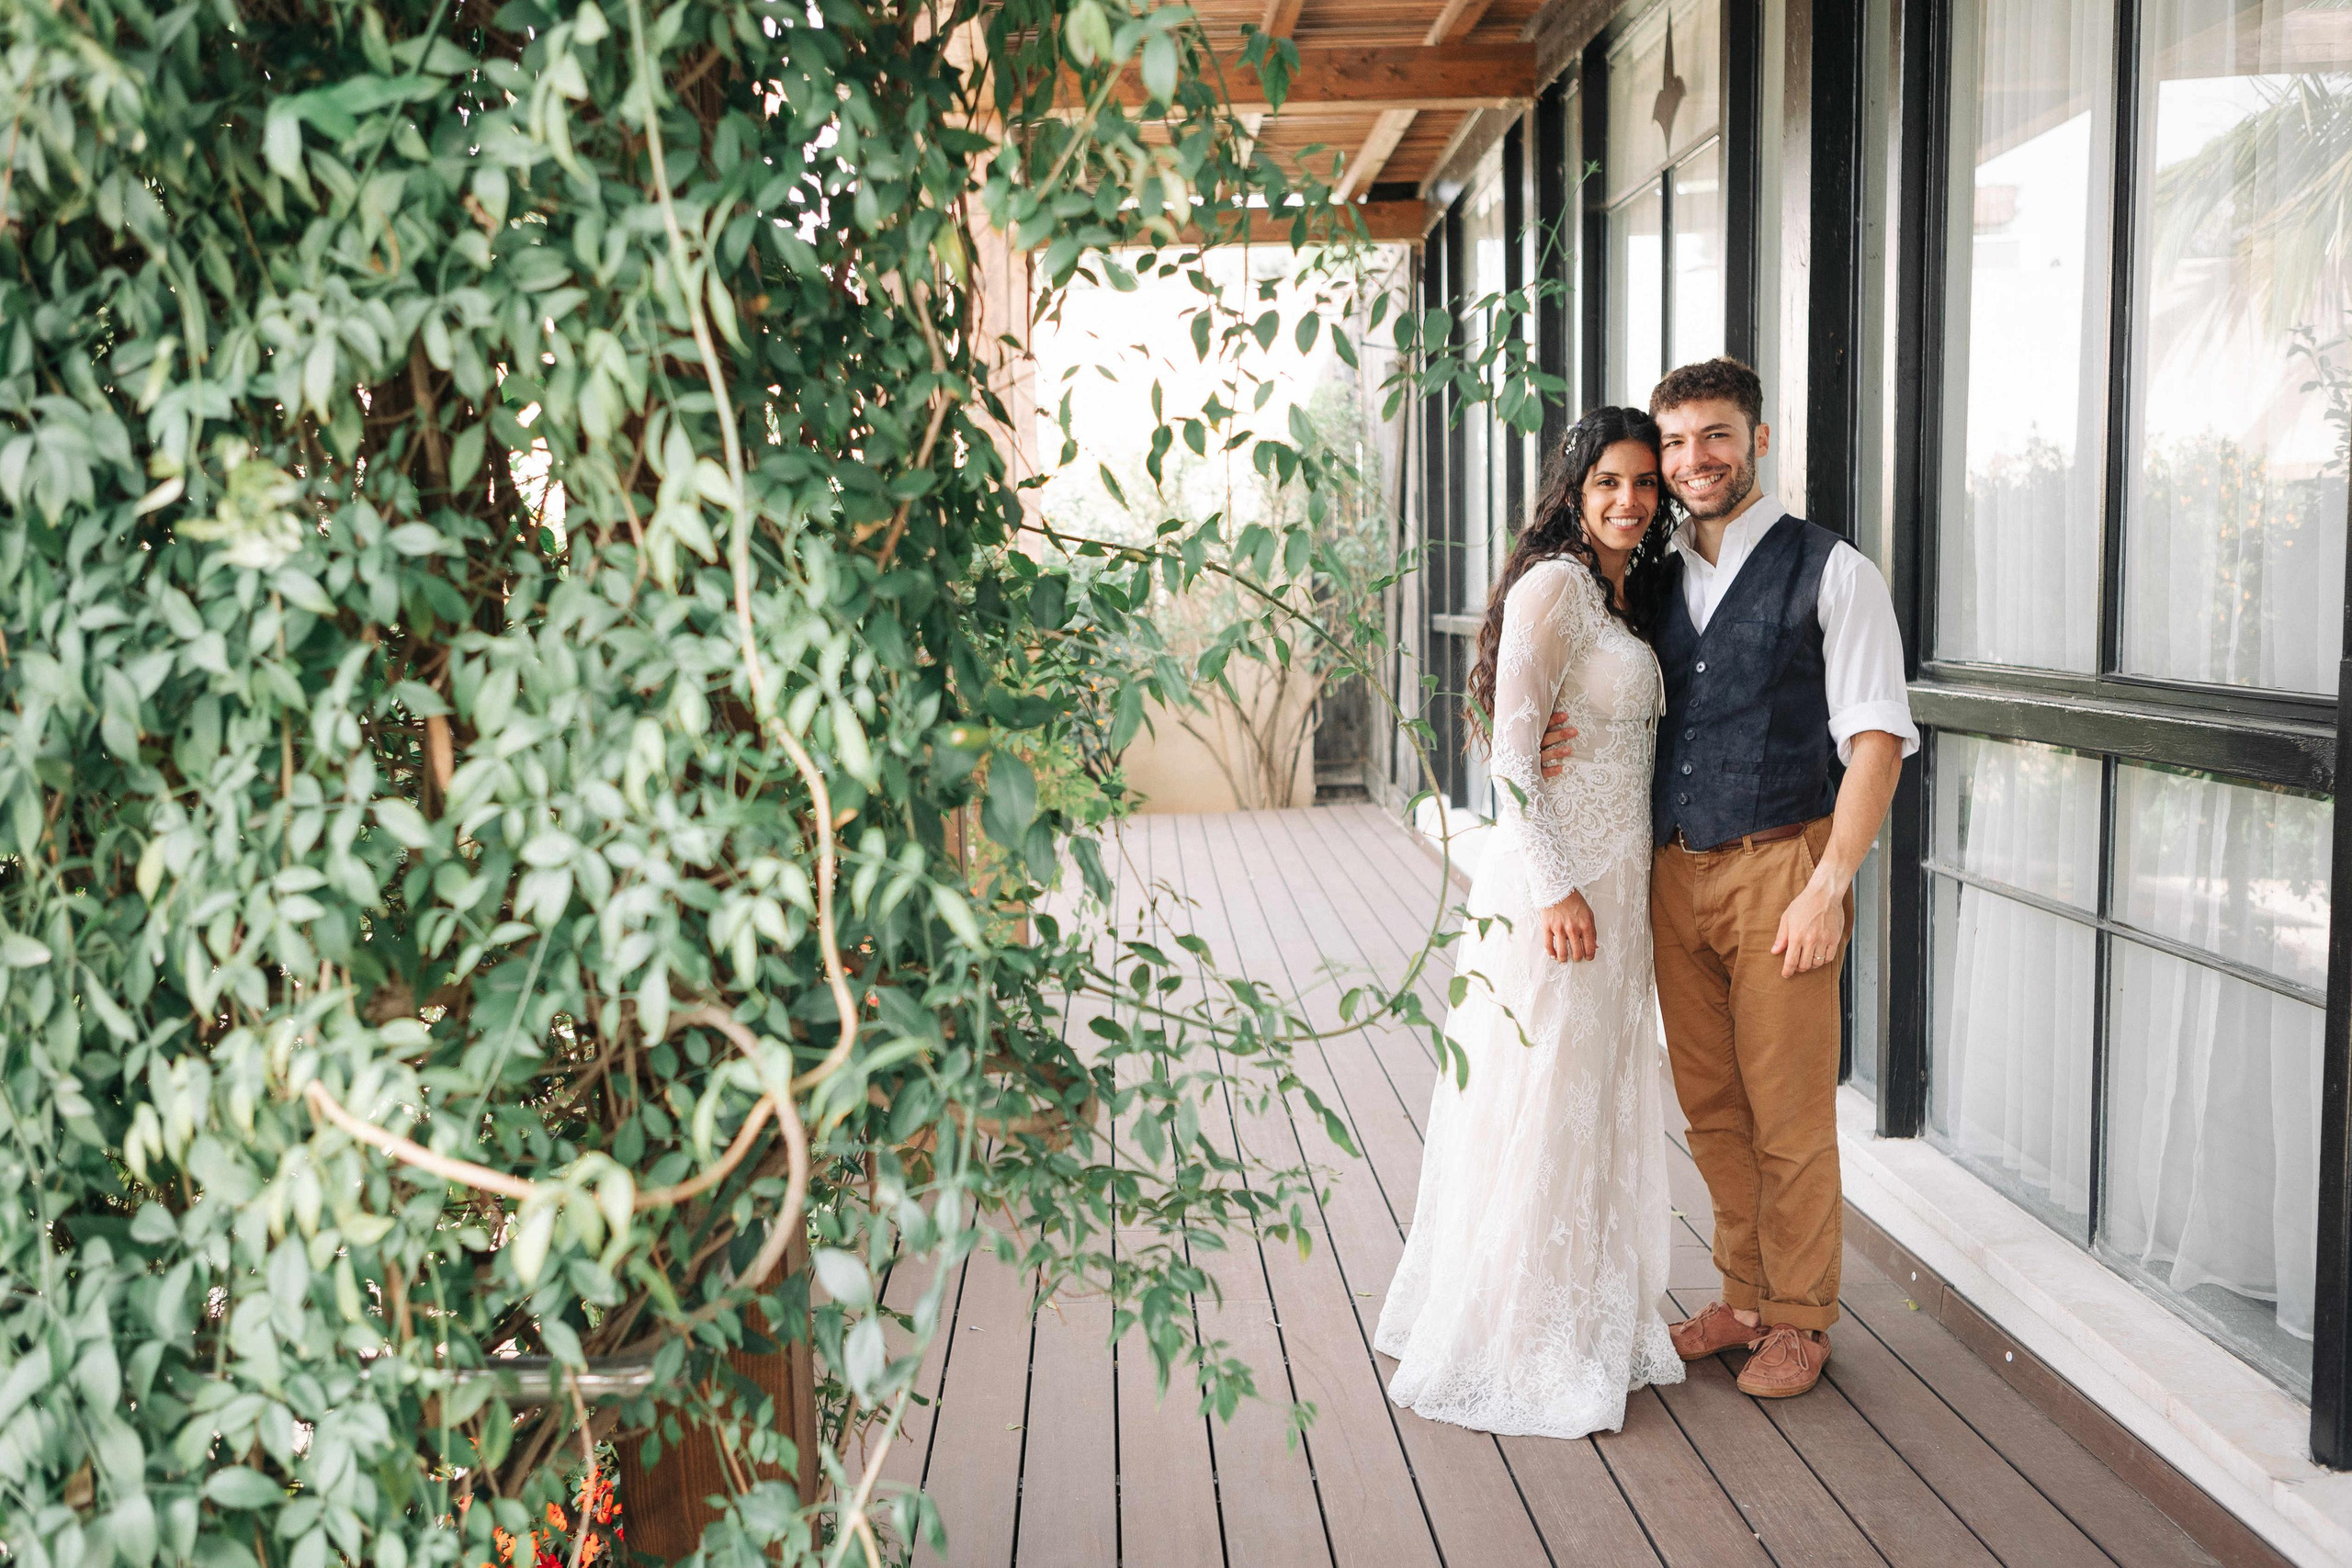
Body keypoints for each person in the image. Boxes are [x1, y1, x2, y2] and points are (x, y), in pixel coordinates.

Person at [1374, 407, 1687, 1438]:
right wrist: (1556, 890)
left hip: (1620, 881)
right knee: (1544, 1091)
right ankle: (1521, 1330)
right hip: (1562, 891)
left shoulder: (1629, 590)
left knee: (1588, 1094)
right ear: (1573, 487)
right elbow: (1512, 756)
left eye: (1644, 483)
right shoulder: (1555, 585)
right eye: (1608, 482)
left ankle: (1580, 1307)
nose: (1628, 500)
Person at [1641, 357, 1917, 1398]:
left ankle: (1801, 1319)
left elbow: (1878, 739)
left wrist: (1827, 884)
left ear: (1758, 440)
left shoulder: (1832, 569)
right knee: (1712, 1106)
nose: (1692, 459)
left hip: (1779, 870)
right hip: (1673, 871)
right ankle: (1742, 1298)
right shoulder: (1655, 575)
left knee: (1790, 1110)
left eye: (1714, 435)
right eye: (1673, 441)